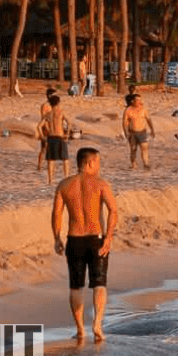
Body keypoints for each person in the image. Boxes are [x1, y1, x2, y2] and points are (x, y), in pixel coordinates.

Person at [52, 146, 118, 341]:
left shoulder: (64, 185)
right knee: (99, 283)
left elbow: (56, 213)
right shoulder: (100, 184)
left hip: (74, 239)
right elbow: (113, 210)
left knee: (76, 285)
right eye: (98, 162)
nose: (99, 166)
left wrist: (57, 237)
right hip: (96, 238)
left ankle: (80, 329)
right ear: (89, 163)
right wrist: (109, 237)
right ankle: (97, 324)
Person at [124, 92, 156, 170]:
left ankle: (146, 163)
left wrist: (152, 130)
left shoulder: (143, 110)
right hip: (133, 133)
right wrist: (126, 133)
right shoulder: (128, 110)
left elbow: (149, 120)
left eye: (140, 100)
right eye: (138, 100)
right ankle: (133, 164)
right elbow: (125, 122)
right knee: (133, 149)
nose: (140, 102)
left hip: (143, 132)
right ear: (133, 101)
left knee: (144, 148)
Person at [43, 93, 71, 182]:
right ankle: (66, 177)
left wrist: (44, 135)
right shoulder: (61, 112)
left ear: (50, 104)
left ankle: (50, 179)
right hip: (60, 136)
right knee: (65, 159)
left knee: (51, 160)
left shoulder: (48, 114)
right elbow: (69, 122)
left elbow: (40, 125)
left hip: (51, 136)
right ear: (58, 103)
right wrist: (67, 133)